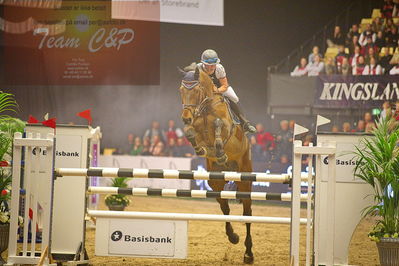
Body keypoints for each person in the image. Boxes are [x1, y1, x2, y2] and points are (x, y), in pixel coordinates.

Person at [196, 49, 256, 133]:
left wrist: (216, 90)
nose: (210, 68)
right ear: (203, 63)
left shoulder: (219, 68)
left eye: (212, 65)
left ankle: (245, 123)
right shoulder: (198, 68)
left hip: (220, 88)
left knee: (234, 98)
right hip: (204, 90)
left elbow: (224, 85)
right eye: (207, 65)